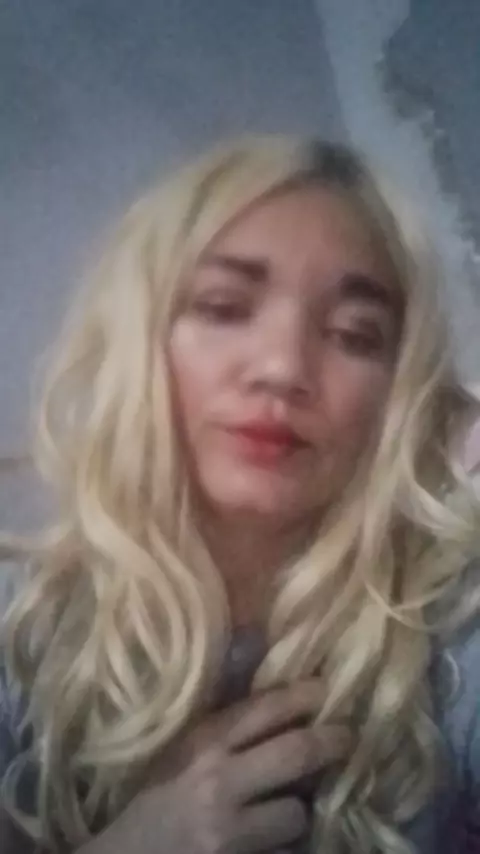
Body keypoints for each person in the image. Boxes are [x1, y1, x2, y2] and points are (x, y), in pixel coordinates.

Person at [1, 135, 479, 854]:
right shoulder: (20, 625)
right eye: (224, 307)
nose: (283, 367)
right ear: (140, 340)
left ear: (397, 392)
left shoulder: (454, 632)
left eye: (354, 334)